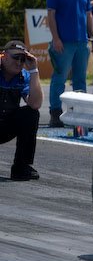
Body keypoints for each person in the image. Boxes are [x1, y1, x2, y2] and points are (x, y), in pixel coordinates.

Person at [46, 0, 93, 128]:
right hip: (63, 42)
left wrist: (92, 36)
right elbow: (51, 15)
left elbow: (89, 15)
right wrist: (56, 38)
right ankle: (55, 113)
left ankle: (78, 114)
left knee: (80, 79)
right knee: (59, 77)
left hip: (82, 42)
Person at [0, 41, 43, 180]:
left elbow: (35, 104)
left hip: (5, 126)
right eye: (15, 57)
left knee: (31, 114)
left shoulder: (24, 76)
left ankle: (21, 167)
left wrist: (34, 71)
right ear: (4, 56)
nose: (19, 62)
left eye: (23, 59)